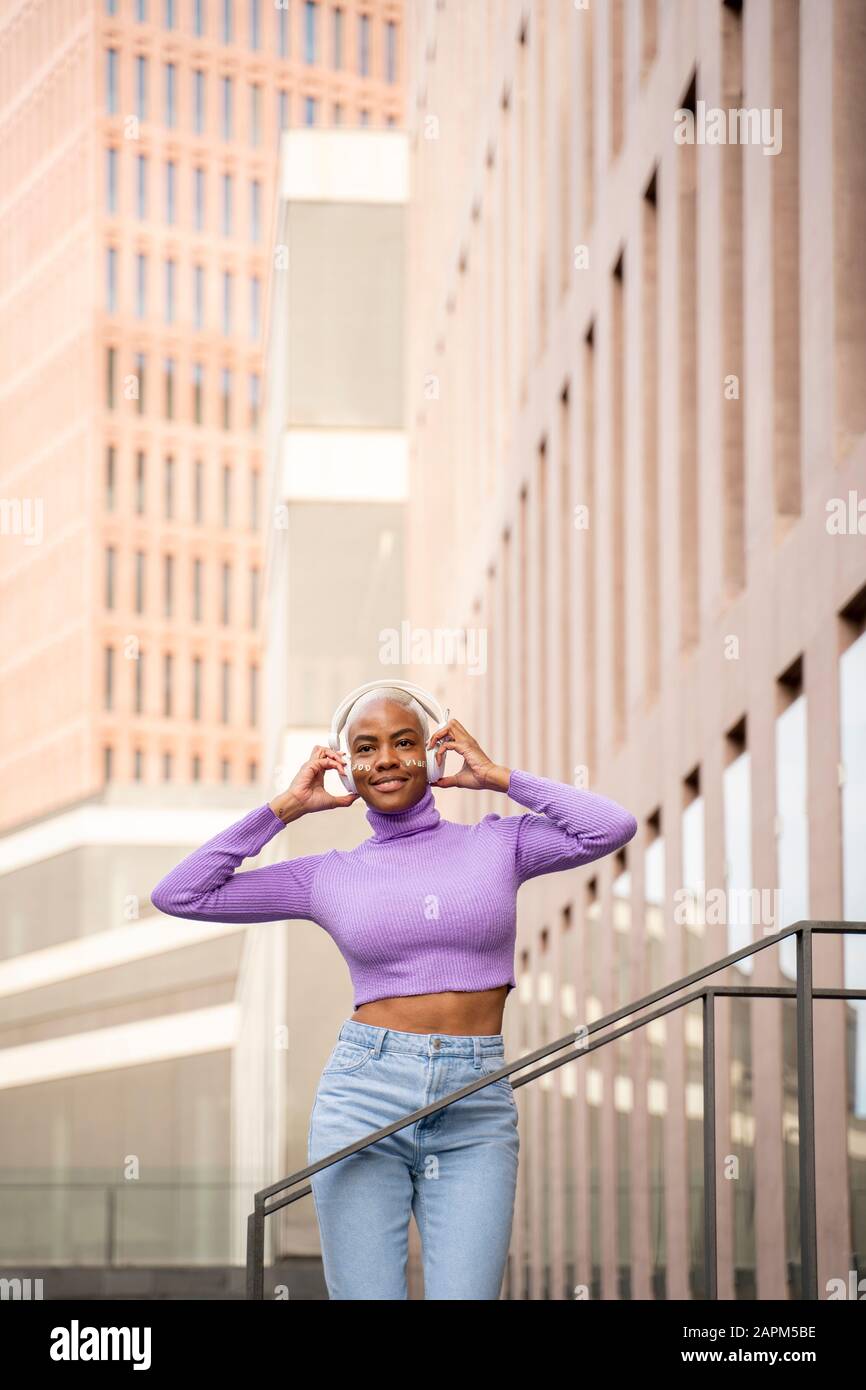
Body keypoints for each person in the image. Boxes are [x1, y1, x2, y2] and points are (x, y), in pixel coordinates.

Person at [150, 683, 637, 1299]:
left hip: (476, 1100)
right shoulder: (326, 875)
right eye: (365, 747)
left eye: (404, 742)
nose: (384, 758)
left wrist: (497, 777)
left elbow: (610, 826)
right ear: (347, 767)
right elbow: (181, 893)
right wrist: (285, 807)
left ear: (432, 758)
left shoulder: (497, 843)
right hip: (363, 1096)